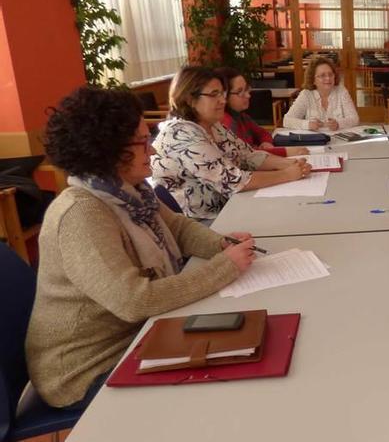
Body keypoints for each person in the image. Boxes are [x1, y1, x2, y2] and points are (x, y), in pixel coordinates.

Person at [26, 86, 256, 408]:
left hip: (138, 334)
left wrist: (221, 244)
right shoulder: (81, 214)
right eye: (142, 140)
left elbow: (176, 227)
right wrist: (225, 266)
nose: (151, 149)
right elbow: (135, 301)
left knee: (242, 349)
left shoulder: (128, 191)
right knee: (221, 386)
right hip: (87, 369)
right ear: (110, 151)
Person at [152, 66, 311, 220]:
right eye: (214, 94)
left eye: (223, 93)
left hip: (229, 207)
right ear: (190, 99)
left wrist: (290, 164)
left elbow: (247, 155)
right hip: (198, 221)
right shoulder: (181, 134)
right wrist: (286, 174)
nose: (223, 100)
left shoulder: (213, 125)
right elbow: (232, 181)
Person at [215, 66, 308, 157]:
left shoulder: (241, 116)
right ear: (224, 95)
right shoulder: (225, 123)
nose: (248, 95)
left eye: (246, 89)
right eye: (240, 91)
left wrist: (266, 142)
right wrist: (286, 151)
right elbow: (247, 154)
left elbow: (263, 133)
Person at [282, 57, 359, 131]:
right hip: (314, 141)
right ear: (313, 80)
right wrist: (307, 124)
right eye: (322, 75)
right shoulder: (306, 94)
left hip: (338, 139)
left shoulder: (341, 91)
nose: (328, 78)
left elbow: (354, 119)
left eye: (330, 74)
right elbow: (287, 120)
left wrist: (338, 124)